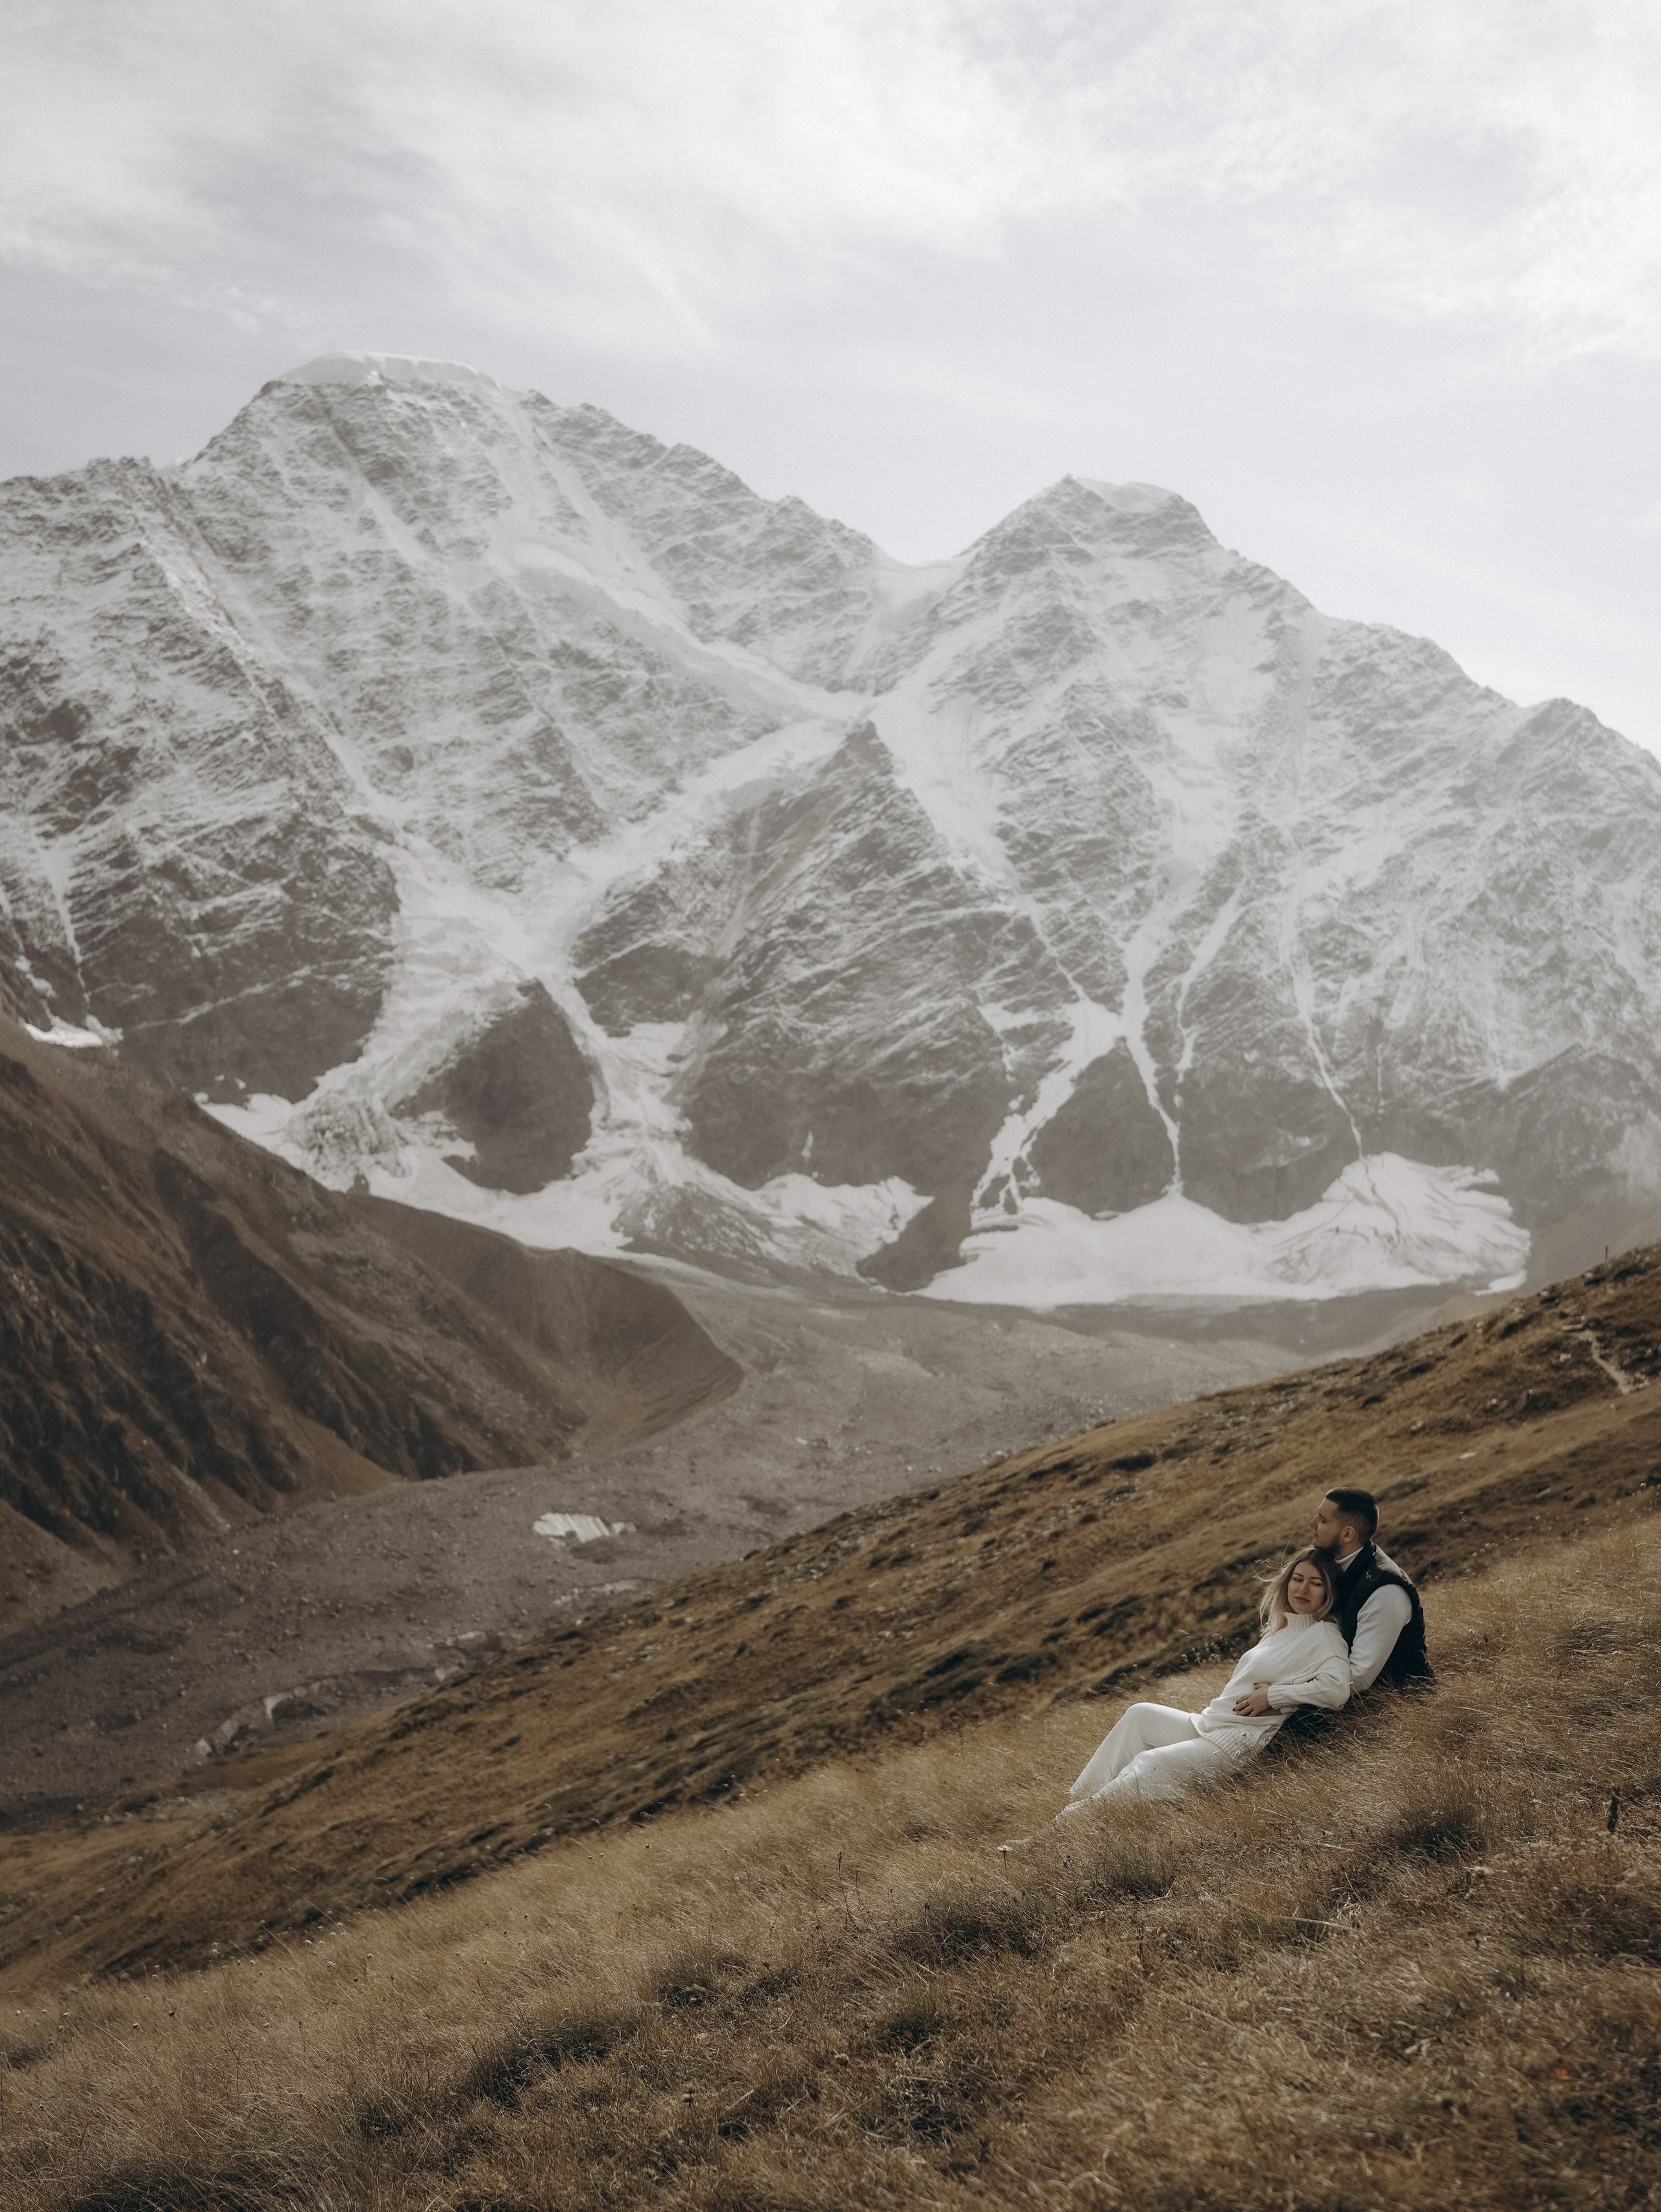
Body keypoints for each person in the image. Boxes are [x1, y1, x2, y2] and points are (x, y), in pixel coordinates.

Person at [1060, 1547, 1349, 1810]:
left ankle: (1070, 1824)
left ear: (1329, 1592)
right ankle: (1079, 1799)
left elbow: (1338, 1690)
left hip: (1238, 1741)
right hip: (1212, 1725)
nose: (1303, 1589)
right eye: (1298, 1579)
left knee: (1149, 1763)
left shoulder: (1324, 1635)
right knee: (1140, 1715)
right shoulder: (1284, 1629)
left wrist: (1273, 1696)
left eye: (1316, 1583)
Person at [1311, 1487, 1433, 1692]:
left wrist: (1283, 1694)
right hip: (1334, 1689)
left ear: (1347, 1534)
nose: (1312, 1524)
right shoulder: (1328, 1566)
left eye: (1323, 1521)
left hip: (1394, 1702)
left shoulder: (1386, 1591)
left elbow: (1358, 1678)